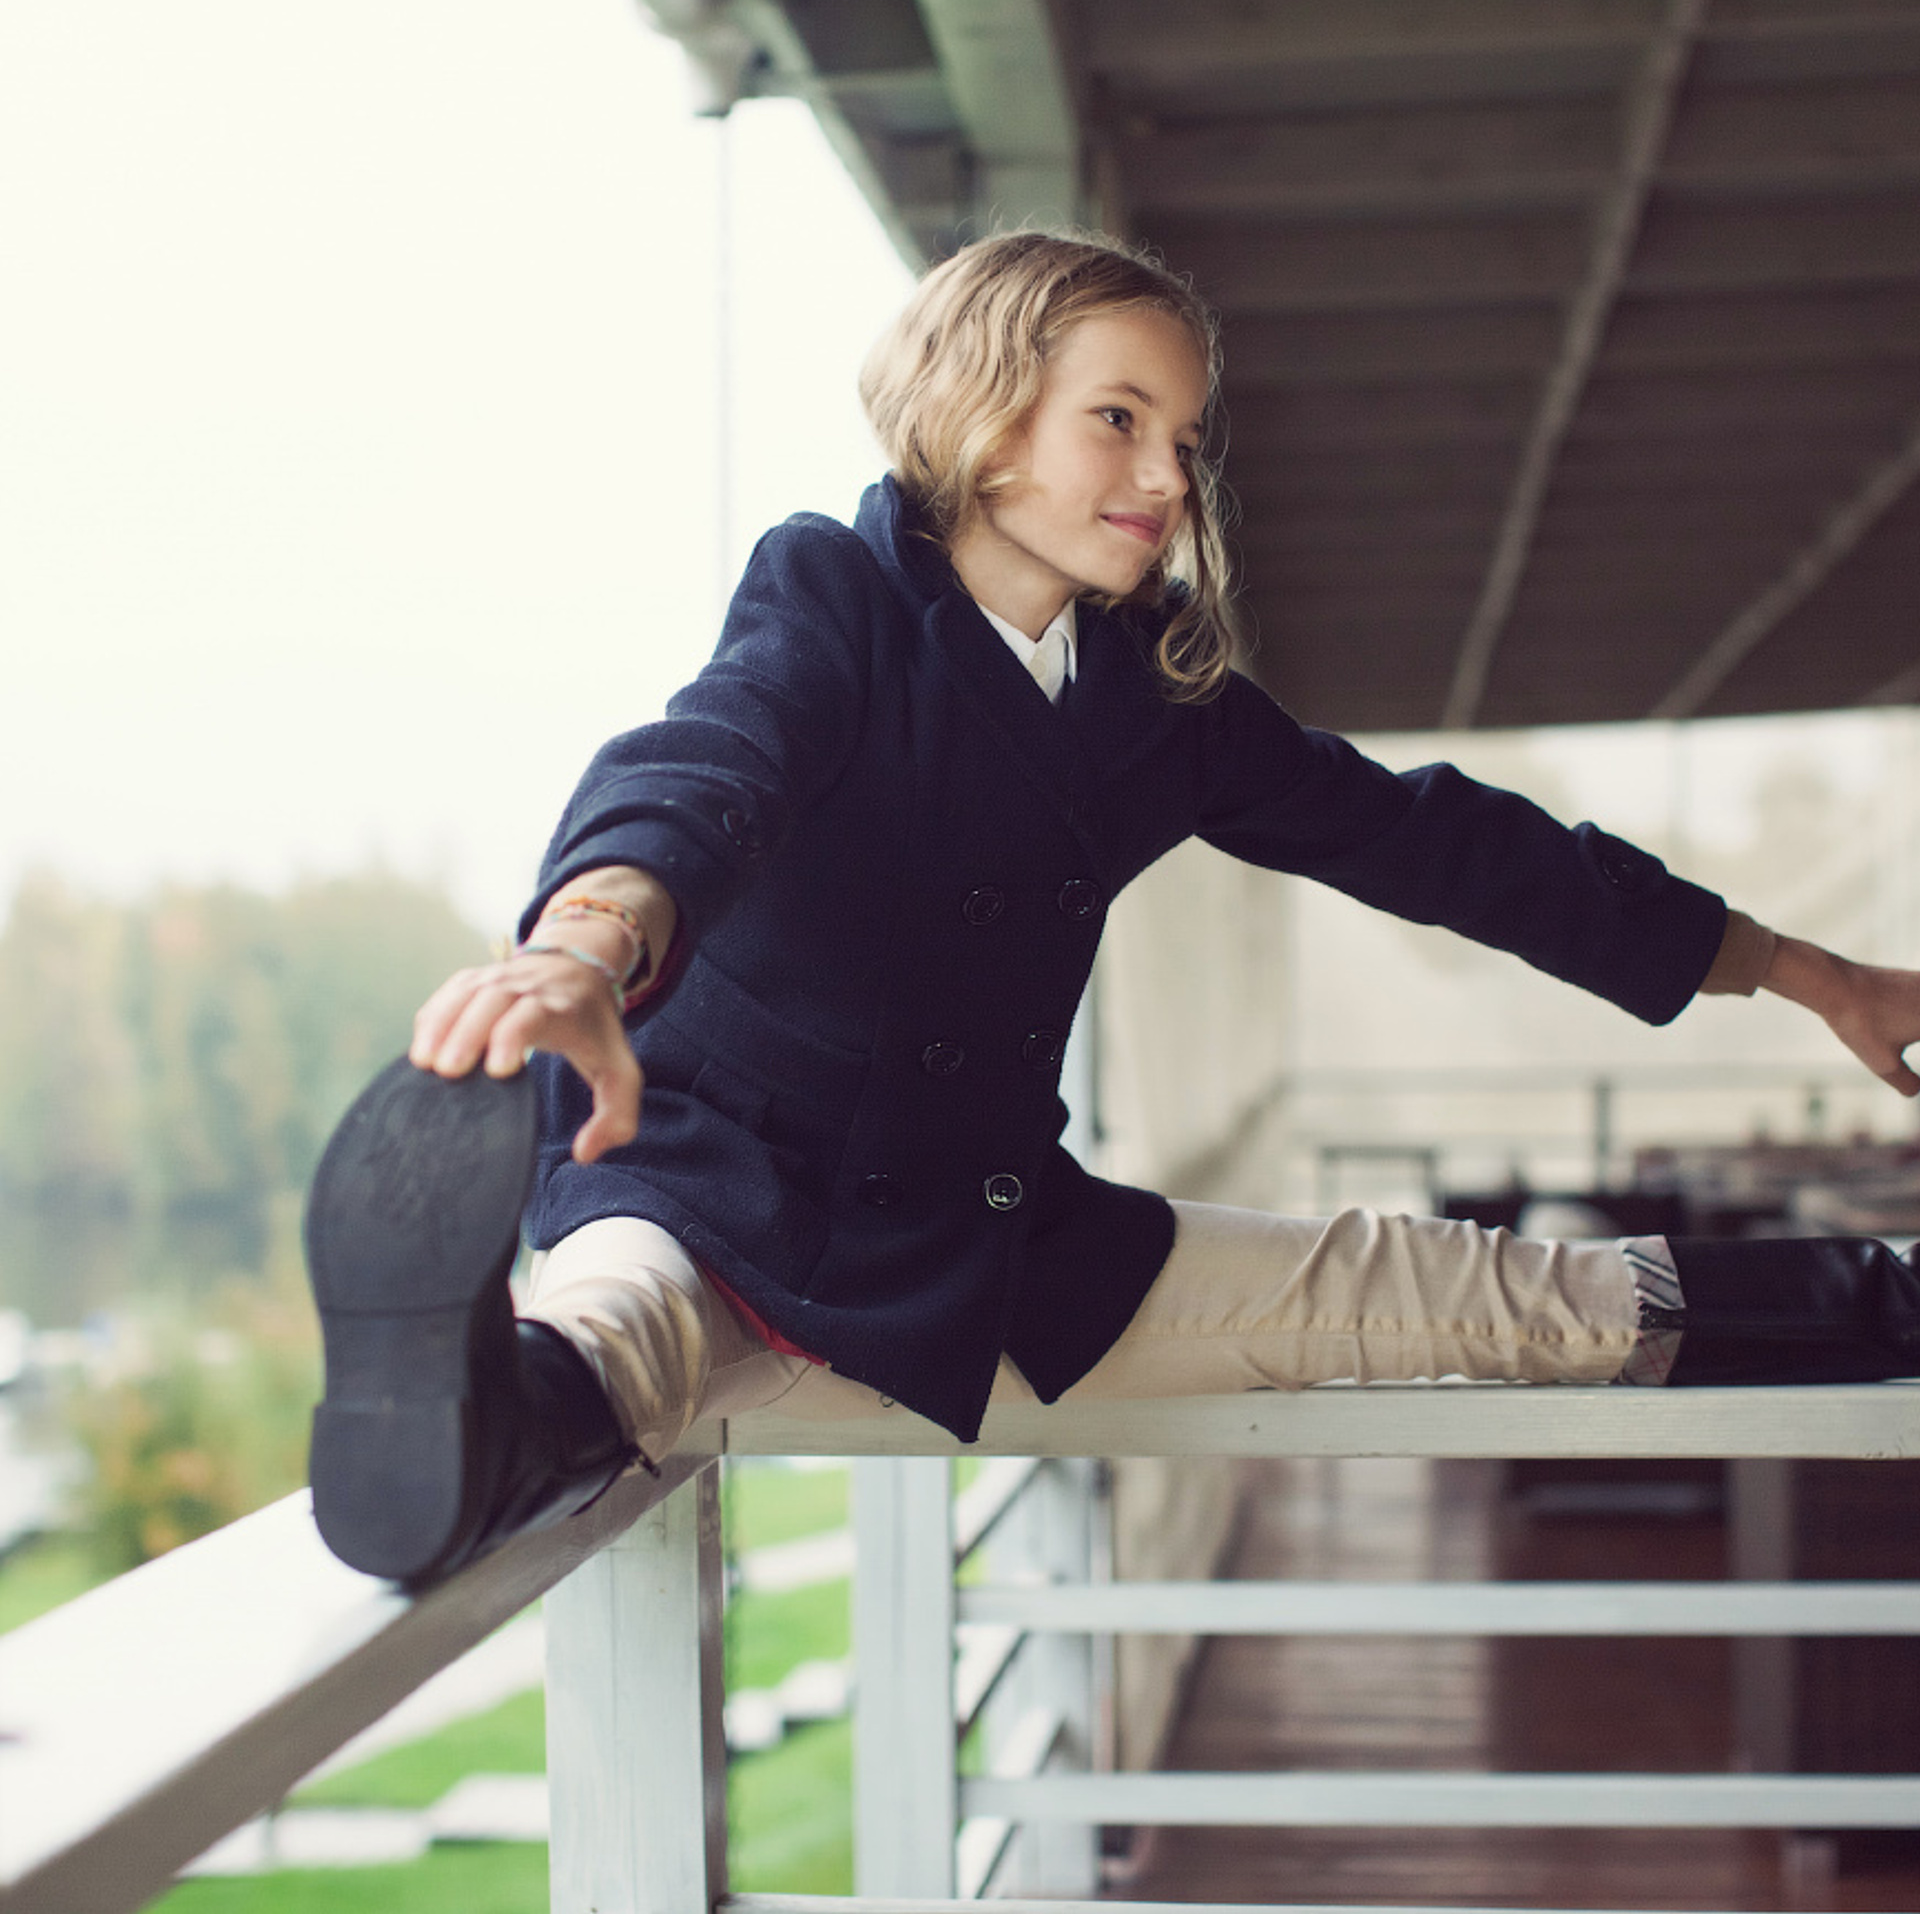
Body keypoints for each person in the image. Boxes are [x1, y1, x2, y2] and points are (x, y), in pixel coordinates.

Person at [306, 229, 1920, 1588]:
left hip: (982, 1237)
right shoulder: (836, 595)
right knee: (626, 1334)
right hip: (709, 1185)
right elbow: (709, 764)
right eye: (1120, 421)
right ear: (990, 423)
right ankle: (463, 1427)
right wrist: (588, 944)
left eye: (1185, 437)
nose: (1166, 476)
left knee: (1477, 1293)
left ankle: (1893, 1301)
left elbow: (1446, 848)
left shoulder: (1162, 698)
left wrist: (1809, 971)